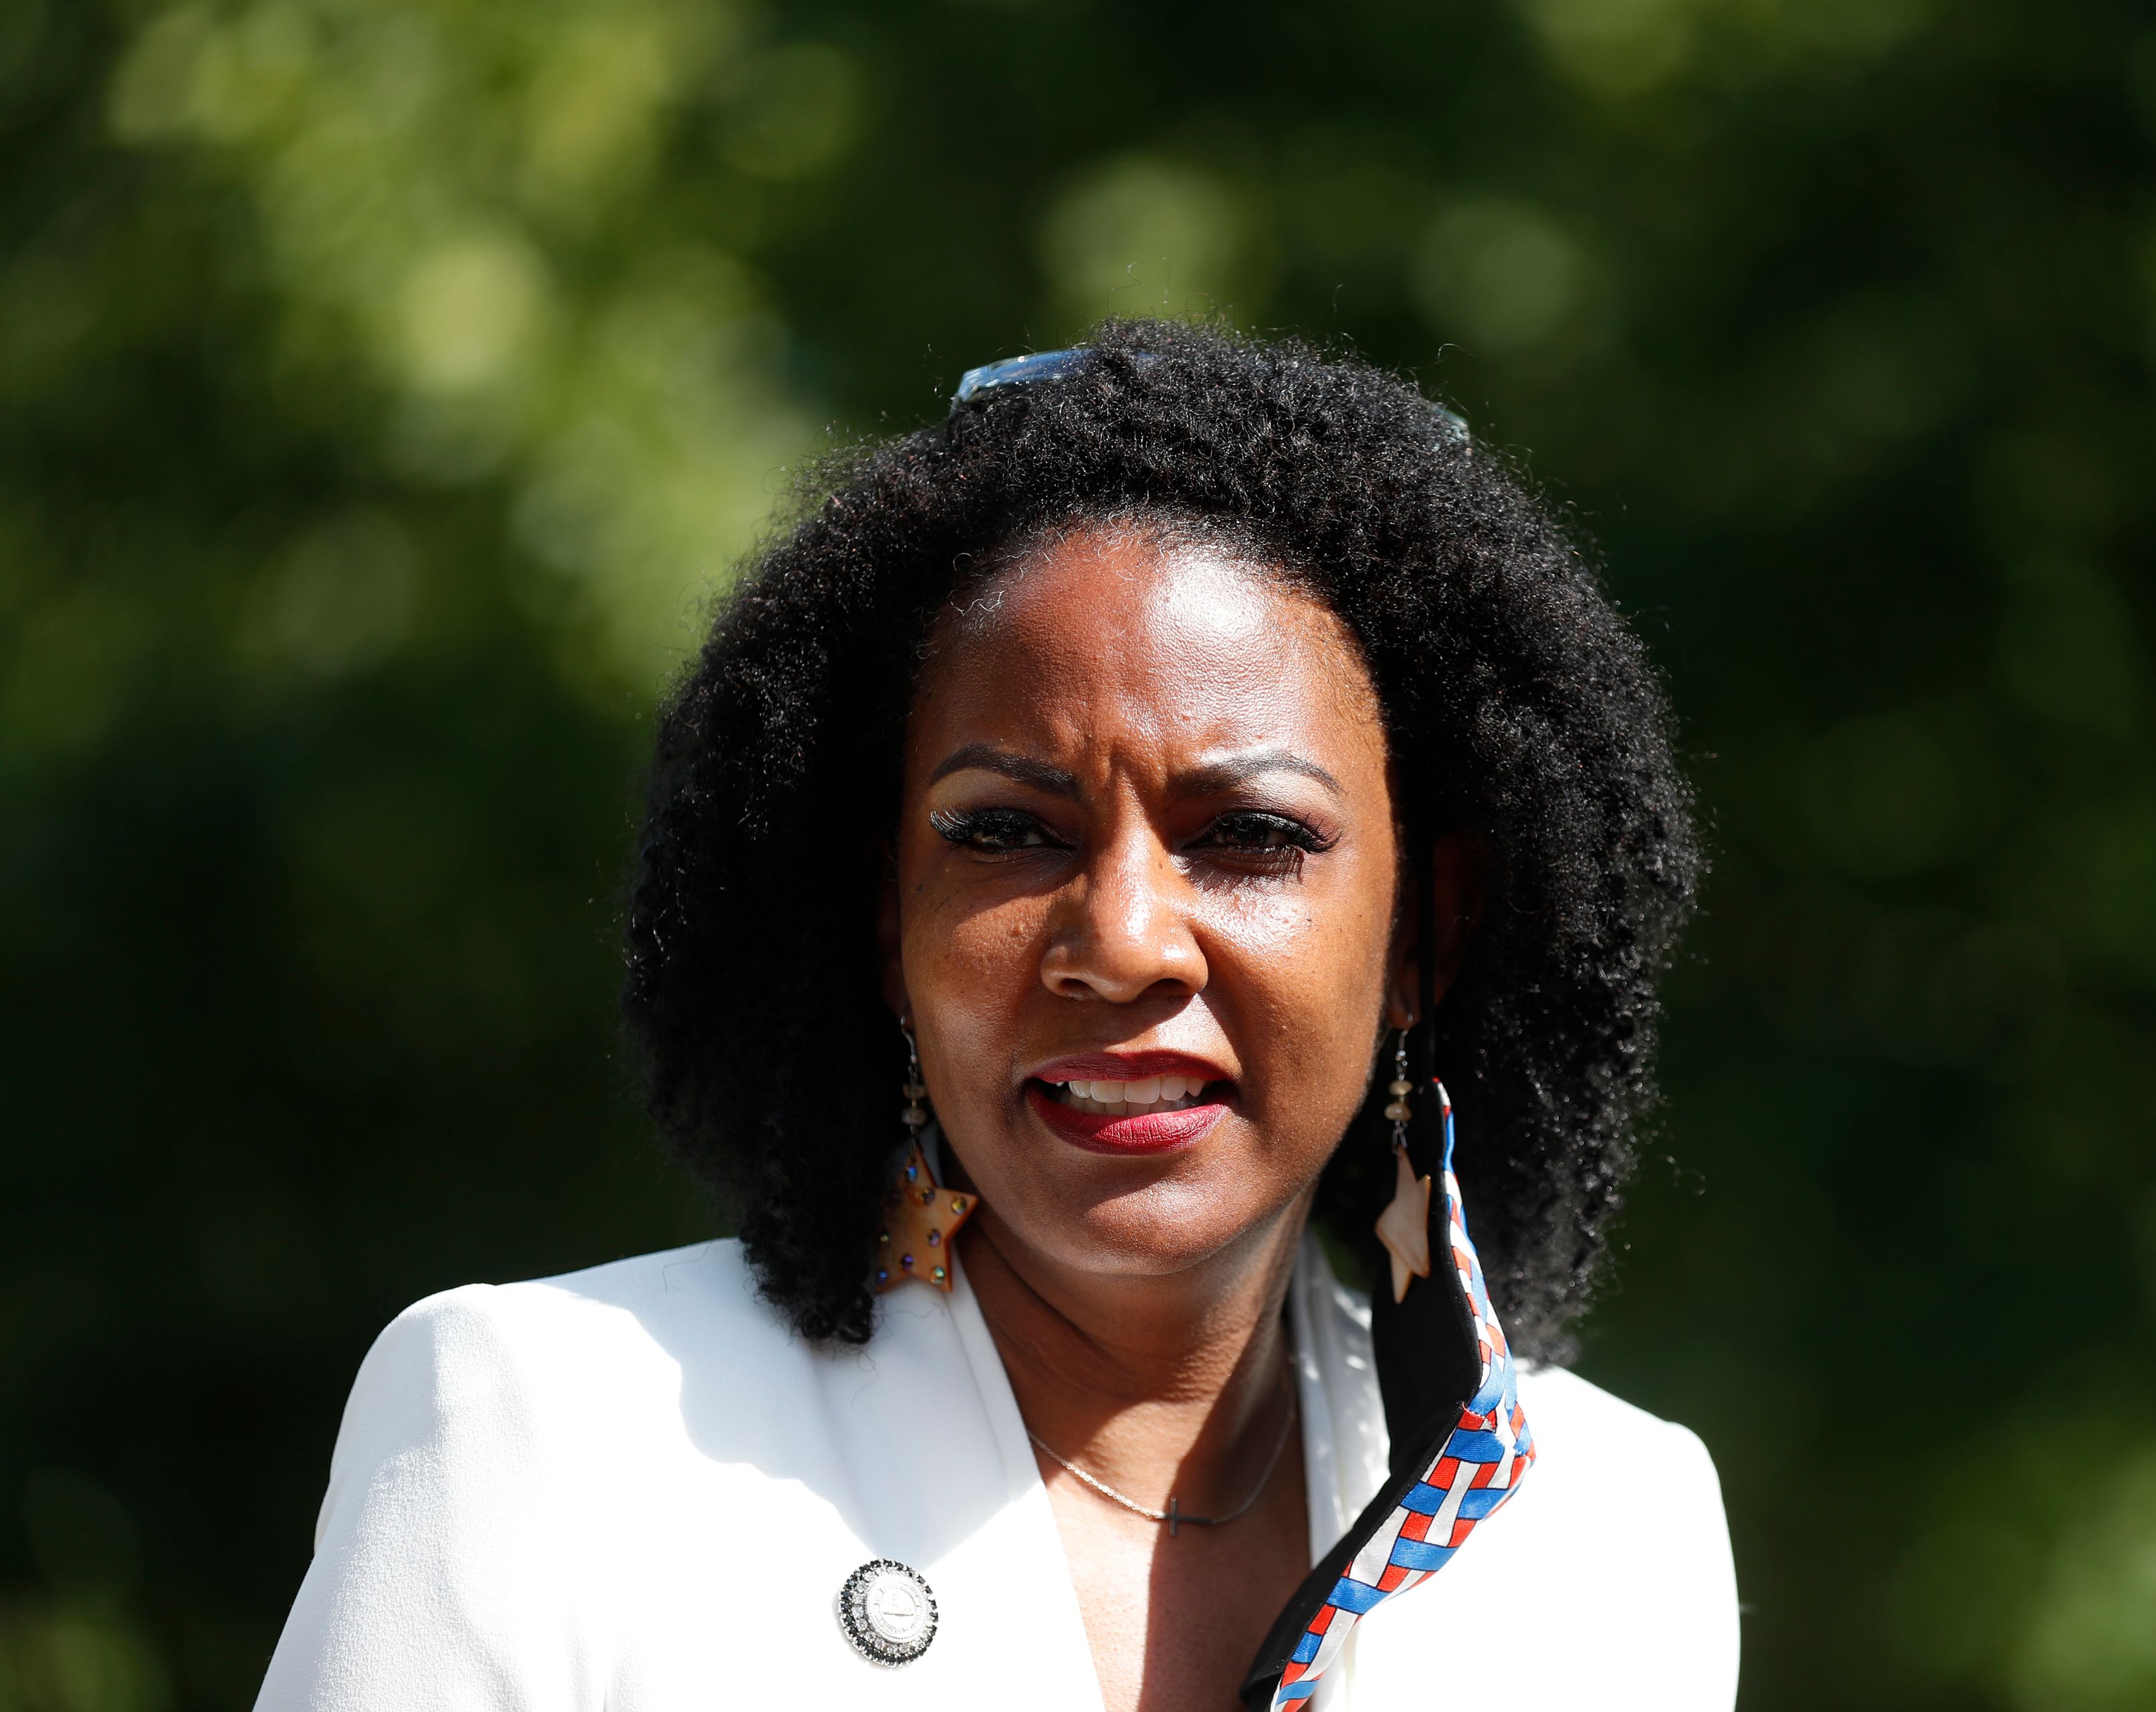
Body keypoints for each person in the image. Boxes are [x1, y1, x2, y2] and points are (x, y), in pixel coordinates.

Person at [253, 321, 1739, 1711]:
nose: (1125, 939)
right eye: (1005, 832)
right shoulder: (548, 1432)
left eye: (1251, 835)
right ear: (884, 915)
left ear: (1422, 932)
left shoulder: (1609, 1536)